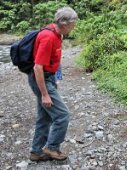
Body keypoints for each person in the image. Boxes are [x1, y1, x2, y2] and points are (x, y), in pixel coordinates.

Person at [28, 7, 78, 161]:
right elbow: (38, 67)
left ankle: (36, 152)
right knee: (62, 115)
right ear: (64, 23)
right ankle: (52, 148)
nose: (73, 27)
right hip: (41, 78)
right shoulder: (48, 37)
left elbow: (54, 59)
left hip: (48, 78)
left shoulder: (58, 34)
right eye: (73, 24)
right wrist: (44, 94)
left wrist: (56, 77)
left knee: (45, 116)